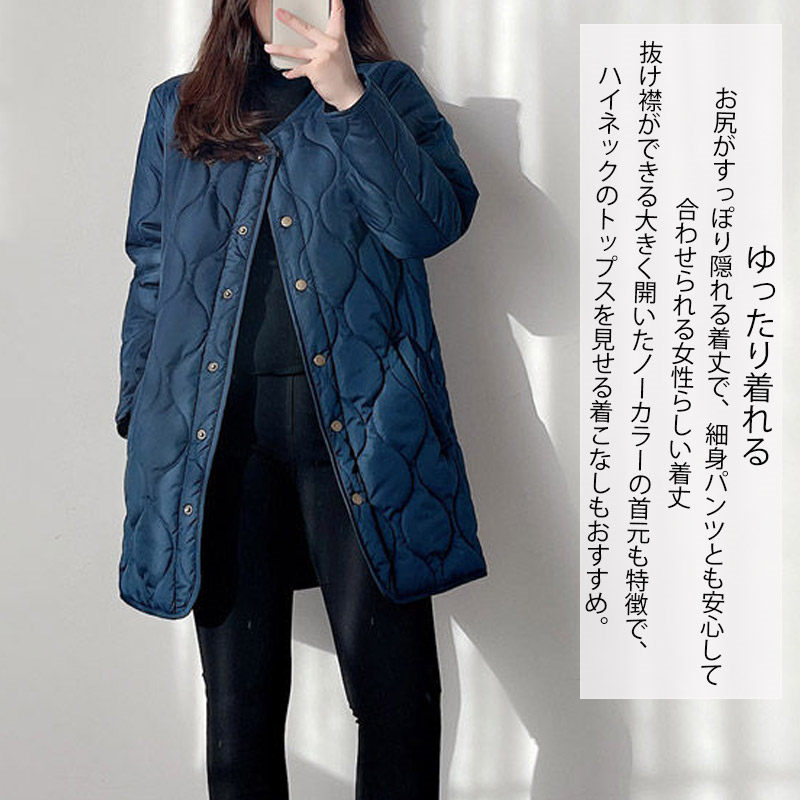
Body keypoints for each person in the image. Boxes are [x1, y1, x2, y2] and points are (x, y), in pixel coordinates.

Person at [114, 0, 488, 797]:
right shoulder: (179, 106)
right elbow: (153, 265)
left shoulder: (387, 92)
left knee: (398, 702)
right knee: (239, 713)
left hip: (365, 433)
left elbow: (428, 226)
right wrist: (139, 406)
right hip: (218, 442)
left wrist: (349, 96)